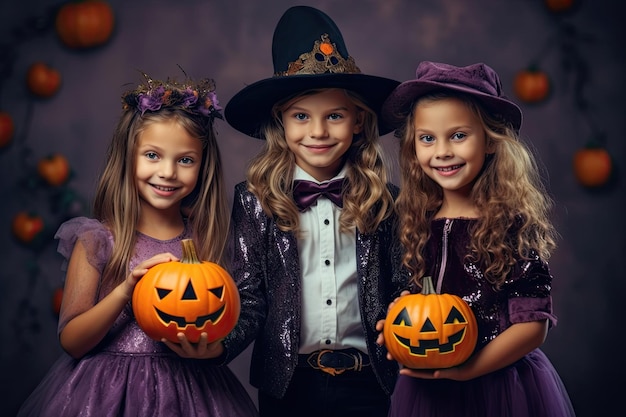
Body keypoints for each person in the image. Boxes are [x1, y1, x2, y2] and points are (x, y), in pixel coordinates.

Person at [17, 74, 259, 417]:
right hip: (106, 393)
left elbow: (217, 313)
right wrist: (125, 291)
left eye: (185, 160)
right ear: (128, 157)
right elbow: (72, 342)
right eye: (152, 155)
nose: (168, 172)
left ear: (203, 167)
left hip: (192, 395)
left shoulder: (205, 239)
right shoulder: (97, 240)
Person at [217, 5, 408, 417]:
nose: (318, 132)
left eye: (334, 116)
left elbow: (401, 289)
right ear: (280, 122)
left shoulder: (387, 201)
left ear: (358, 121)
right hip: (287, 384)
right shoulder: (254, 200)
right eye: (301, 116)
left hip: (368, 381)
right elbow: (248, 298)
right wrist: (218, 345)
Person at [376, 61, 576, 416]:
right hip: (429, 389)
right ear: (413, 147)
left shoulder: (509, 224)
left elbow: (533, 325)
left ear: (490, 142)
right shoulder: (415, 220)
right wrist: (399, 323)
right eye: (427, 138)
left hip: (497, 384)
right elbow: (420, 299)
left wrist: (468, 371)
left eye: (458, 135)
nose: (442, 151)